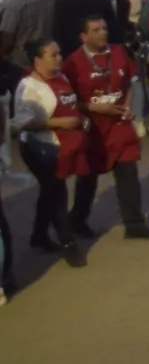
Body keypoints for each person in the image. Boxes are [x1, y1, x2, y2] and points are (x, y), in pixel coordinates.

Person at [64, 15, 149, 240]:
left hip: (119, 125)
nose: (103, 33)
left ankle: (134, 224)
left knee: (128, 171)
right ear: (83, 36)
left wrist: (127, 105)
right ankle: (77, 220)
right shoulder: (72, 63)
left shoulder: (118, 52)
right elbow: (68, 101)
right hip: (92, 128)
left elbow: (129, 83)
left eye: (104, 28)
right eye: (96, 30)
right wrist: (95, 108)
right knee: (88, 177)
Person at [12, 38, 87, 267]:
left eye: (59, 53)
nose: (59, 58)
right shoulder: (28, 87)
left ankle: (39, 236)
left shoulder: (61, 77)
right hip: (39, 148)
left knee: (49, 192)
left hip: (61, 145)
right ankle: (69, 245)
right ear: (37, 60)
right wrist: (59, 123)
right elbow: (21, 124)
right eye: (52, 55)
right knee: (57, 193)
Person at [52, 0, 117, 56]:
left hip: (71, 52)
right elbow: (112, 26)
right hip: (101, 50)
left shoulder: (62, 2)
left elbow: (57, 32)